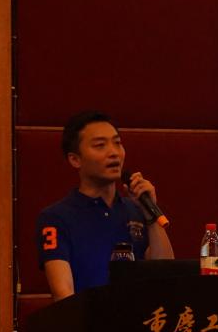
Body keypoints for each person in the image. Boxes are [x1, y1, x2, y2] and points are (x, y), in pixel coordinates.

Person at [36, 110, 174, 300]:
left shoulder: (135, 210)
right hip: (87, 317)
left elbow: (165, 273)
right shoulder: (56, 218)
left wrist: (150, 216)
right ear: (75, 159)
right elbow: (63, 294)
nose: (113, 153)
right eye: (100, 145)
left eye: (117, 143)